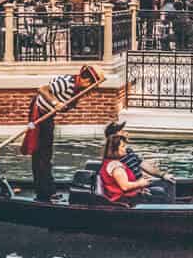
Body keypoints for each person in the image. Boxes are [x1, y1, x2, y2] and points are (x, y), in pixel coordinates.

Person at [21, 66, 102, 202]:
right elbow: (42, 89)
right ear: (85, 79)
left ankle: (48, 189)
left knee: (46, 155)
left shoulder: (76, 90)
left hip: (47, 116)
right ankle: (43, 193)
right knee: (40, 155)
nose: (91, 89)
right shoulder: (67, 82)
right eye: (91, 85)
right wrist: (55, 102)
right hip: (39, 113)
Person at [99, 134, 153, 204]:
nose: (126, 148)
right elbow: (125, 186)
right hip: (124, 200)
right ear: (114, 150)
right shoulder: (115, 166)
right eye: (123, 146)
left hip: (128, 197)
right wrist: (140, 183)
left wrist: (139, 189)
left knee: (158, 192)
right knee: (159, 194)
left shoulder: (112, 162)